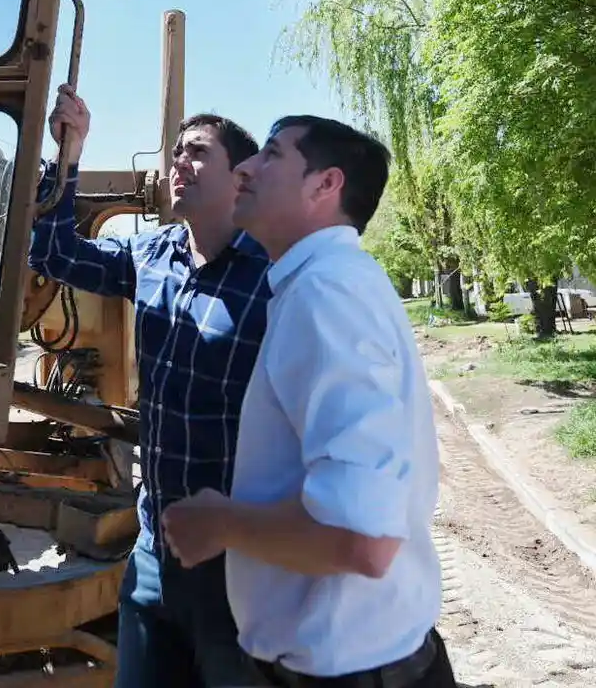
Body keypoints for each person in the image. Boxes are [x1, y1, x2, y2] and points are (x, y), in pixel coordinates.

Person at [161, 116, 458, 687]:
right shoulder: (324, 282)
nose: (245, 167)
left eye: (271, 155)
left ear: (326, 186)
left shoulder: (325, 294)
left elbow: (362, 539)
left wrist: (219, 525)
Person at [29, 85, 272, 687]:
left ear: (239, 178)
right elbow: (55, 253)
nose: (177, 164)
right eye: (174, 153)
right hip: (154, 552)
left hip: (237, 563)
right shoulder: (154, 255)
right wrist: (69, 154)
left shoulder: (276, 276)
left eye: (195, 152)